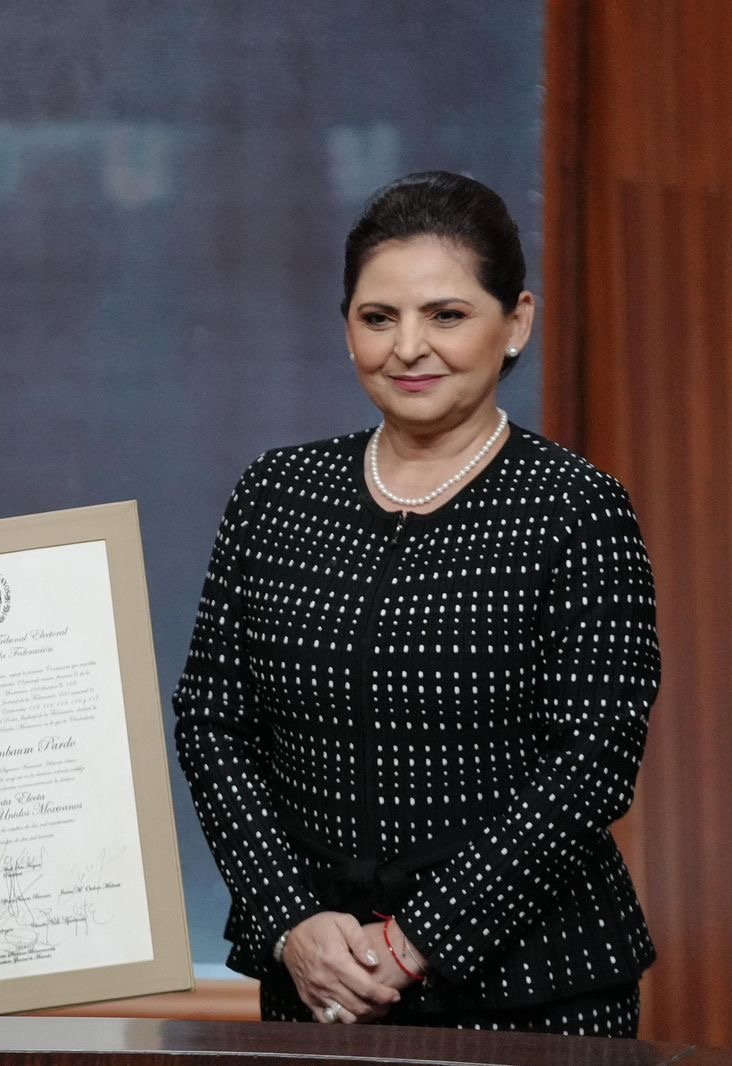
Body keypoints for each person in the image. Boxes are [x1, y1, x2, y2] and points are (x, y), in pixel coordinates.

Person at [173, 171, 659, 1037]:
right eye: (378, 317)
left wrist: (415, 943)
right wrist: (292, 923)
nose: (408, 348)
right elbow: (213, 725)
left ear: (515, 323)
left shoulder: (578, 508)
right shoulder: (277, 495)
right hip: (315, 989)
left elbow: (592, 760)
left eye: (446, 314)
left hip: (536, 998)